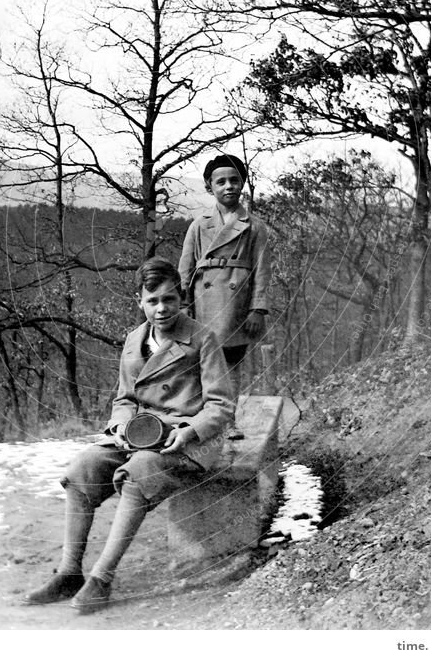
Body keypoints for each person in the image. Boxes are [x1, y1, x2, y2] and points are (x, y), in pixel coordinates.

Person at [24, 257, 234, 614]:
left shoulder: (202, 338)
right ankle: (70, 571)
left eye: (169, 299)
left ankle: (101, 579)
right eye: (152, 301)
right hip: (138, 435)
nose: (162, 308)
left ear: (181, 298)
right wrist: (120, 427)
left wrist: (190, 432)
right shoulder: (135, 339)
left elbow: (222, 405)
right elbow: (124, 398)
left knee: (138, 473)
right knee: (82, 471)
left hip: (188, 442)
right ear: (139, 301)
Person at [178, 153, 271, 438]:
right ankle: (198, 421)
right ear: (209, 187)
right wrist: (183, 304)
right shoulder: (199, 225)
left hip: (236, 305)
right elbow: (185, 267)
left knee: (231, 365)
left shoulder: (255, 227)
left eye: (234, 180)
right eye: (221, 182)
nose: (228, 186)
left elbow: (263, 271)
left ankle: (227, 422)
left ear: (243, 183)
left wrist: (258, 309)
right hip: (202, 303)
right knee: (199, 364)